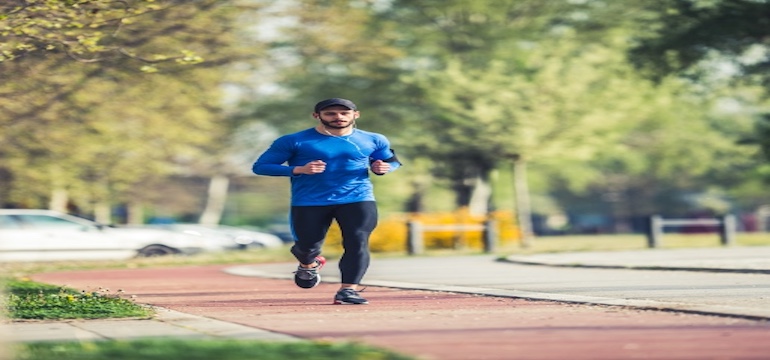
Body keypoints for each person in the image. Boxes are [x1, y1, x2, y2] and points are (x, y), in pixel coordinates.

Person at [252, 98, 401, 305]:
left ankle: (348, 290)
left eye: (344, 113)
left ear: (355, 115)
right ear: (317, 116)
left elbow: (391, 161)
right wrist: (298, 169)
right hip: (309, 201)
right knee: (307, 247)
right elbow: (261, 166)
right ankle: (308, 263)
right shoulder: (294, 141)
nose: (338, 117)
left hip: (358, 197)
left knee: (357, 241)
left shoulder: (374, 139)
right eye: (330, 113)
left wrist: (383, 168)